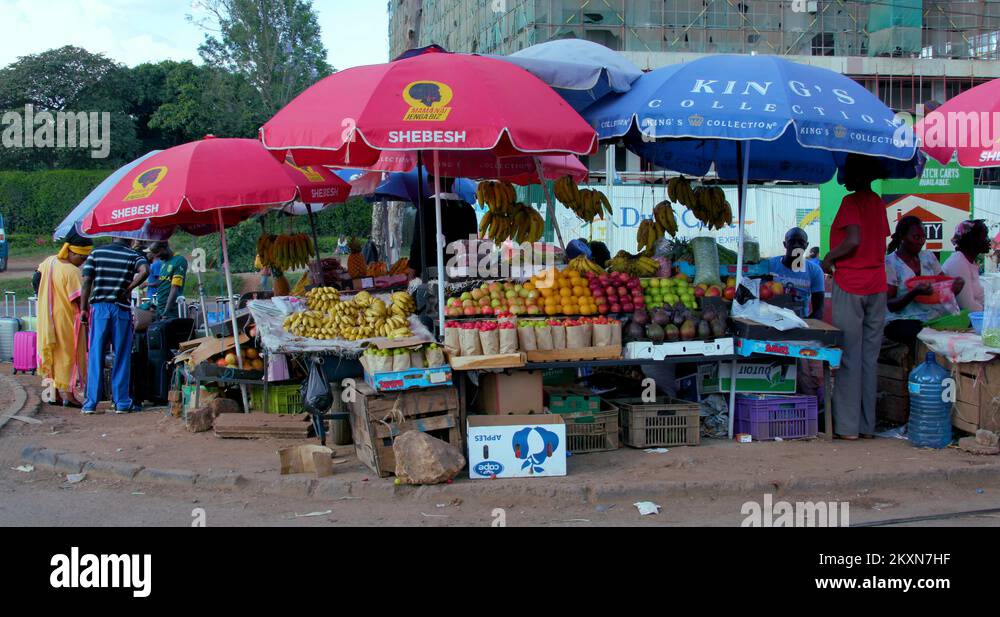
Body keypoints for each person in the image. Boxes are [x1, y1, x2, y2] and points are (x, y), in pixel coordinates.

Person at [821, 155, 890, 441]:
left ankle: (848, 428)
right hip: (877, 285)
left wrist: (828, 257)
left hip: (851, 283)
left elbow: (853, 240)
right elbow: (879, 241)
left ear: (857, 176)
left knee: (849, 356)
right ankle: (866, 426)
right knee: (869, 358)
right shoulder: (877, 202)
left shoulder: (851, 203)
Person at [80, 238, 149, 415]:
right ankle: (122, 402)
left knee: (96, 355)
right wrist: (130, 287)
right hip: (121, 309)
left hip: (99, 308)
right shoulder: (133, 255)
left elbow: (87, 281)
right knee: (122, 355)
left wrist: (83, 309)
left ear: (112, 237)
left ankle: (90, 403)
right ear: (130, 238)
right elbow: (145, 270)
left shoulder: (96, 253)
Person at [884, 216, 963, 348]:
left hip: (932, 317)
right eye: (916, 237)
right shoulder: (890, 263)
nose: (921, 241)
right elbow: (890, 305)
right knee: (919, 334)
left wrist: (954, 286)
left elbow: (942, 286)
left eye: (923, 237)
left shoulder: (928, 257)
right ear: (903, 237)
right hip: (903, 320)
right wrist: (913, 293)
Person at [36, 232, 93, 407]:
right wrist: (87, 310)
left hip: (46, 317)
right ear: (72, 252)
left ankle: (51, 395)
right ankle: (69, 395)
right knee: (68, 355)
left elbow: (35, 279)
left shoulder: (48, 261)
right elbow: (78, 299)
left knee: (50, 353)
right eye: (81, 258)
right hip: (67, 319)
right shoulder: (71, 271)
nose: (82, 262)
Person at [766, 228, 826, 320]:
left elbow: (818, 310)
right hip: (769, 320)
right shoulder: (769, 265)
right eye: (791, 241)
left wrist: (807, 327)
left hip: (800, 321)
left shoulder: (815, 271)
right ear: (785, 244)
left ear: (806, 245)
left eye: (801, 242)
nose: (796, 245)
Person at [943, 219, 990, 312]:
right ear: (972, 240)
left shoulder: (969, 262)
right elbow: (967, 306)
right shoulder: (958, 262)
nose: (988, 240)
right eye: (984, 236)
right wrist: (989, 314)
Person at [150, 242, 188, 320]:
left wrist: (166, 311)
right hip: (160, 308)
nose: (156, 256)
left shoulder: (179, 260)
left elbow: (175, 287)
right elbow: (163, 281)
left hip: (171, 311)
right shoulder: (164, 262)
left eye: (157, 252)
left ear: (165, 248)